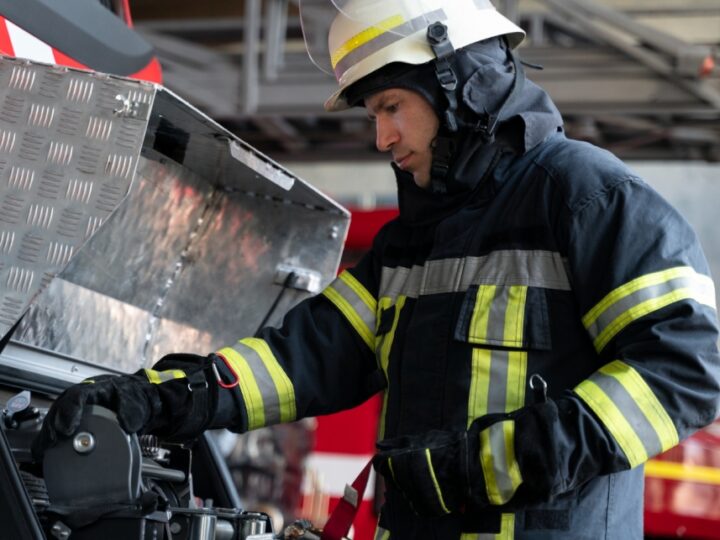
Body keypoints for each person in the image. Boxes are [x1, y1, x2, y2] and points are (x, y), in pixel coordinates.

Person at [35, 0, 720, 538]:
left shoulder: (587, 197)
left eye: (391, 107)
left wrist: (497, 462)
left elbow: (686, 366)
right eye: (374, 113)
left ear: (459, 83)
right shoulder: (411, 244)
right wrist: (160, 397)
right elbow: (303, 359)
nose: (381, 137)